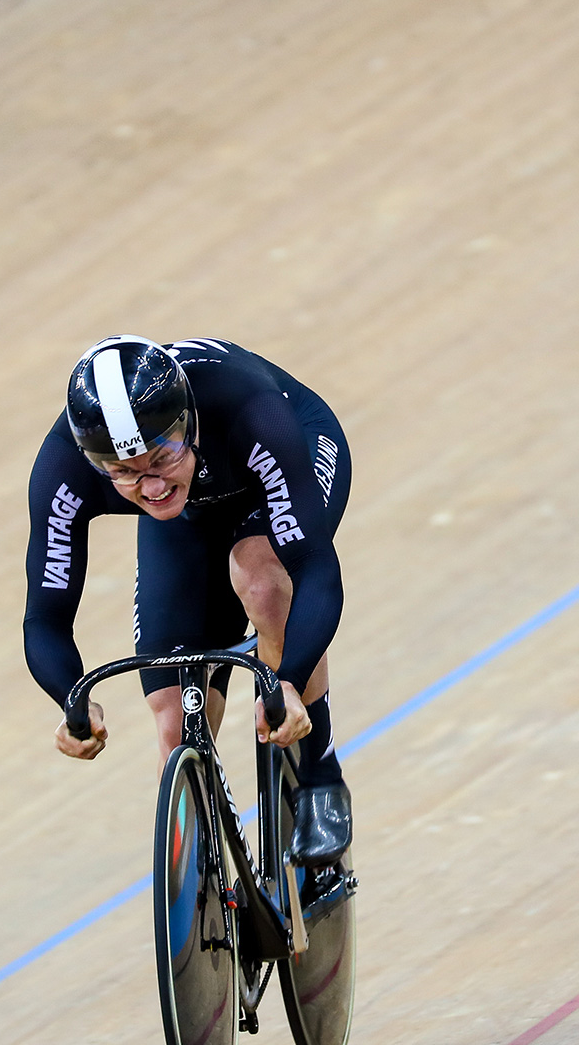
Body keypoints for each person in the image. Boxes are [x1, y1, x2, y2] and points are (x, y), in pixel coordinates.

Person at [23, 335, 353, 863]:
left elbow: (315, 570)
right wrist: (71, 699)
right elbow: (45, 616)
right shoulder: (64, 465)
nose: (149, 485)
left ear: (187, 422)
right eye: (123, 473)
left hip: (287, 455)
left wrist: (289, 679)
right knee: (175, 723)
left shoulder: (248, 409)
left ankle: (319, 773)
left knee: (264, 583)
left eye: (161, 457)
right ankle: (209, 897)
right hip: (194, 508)